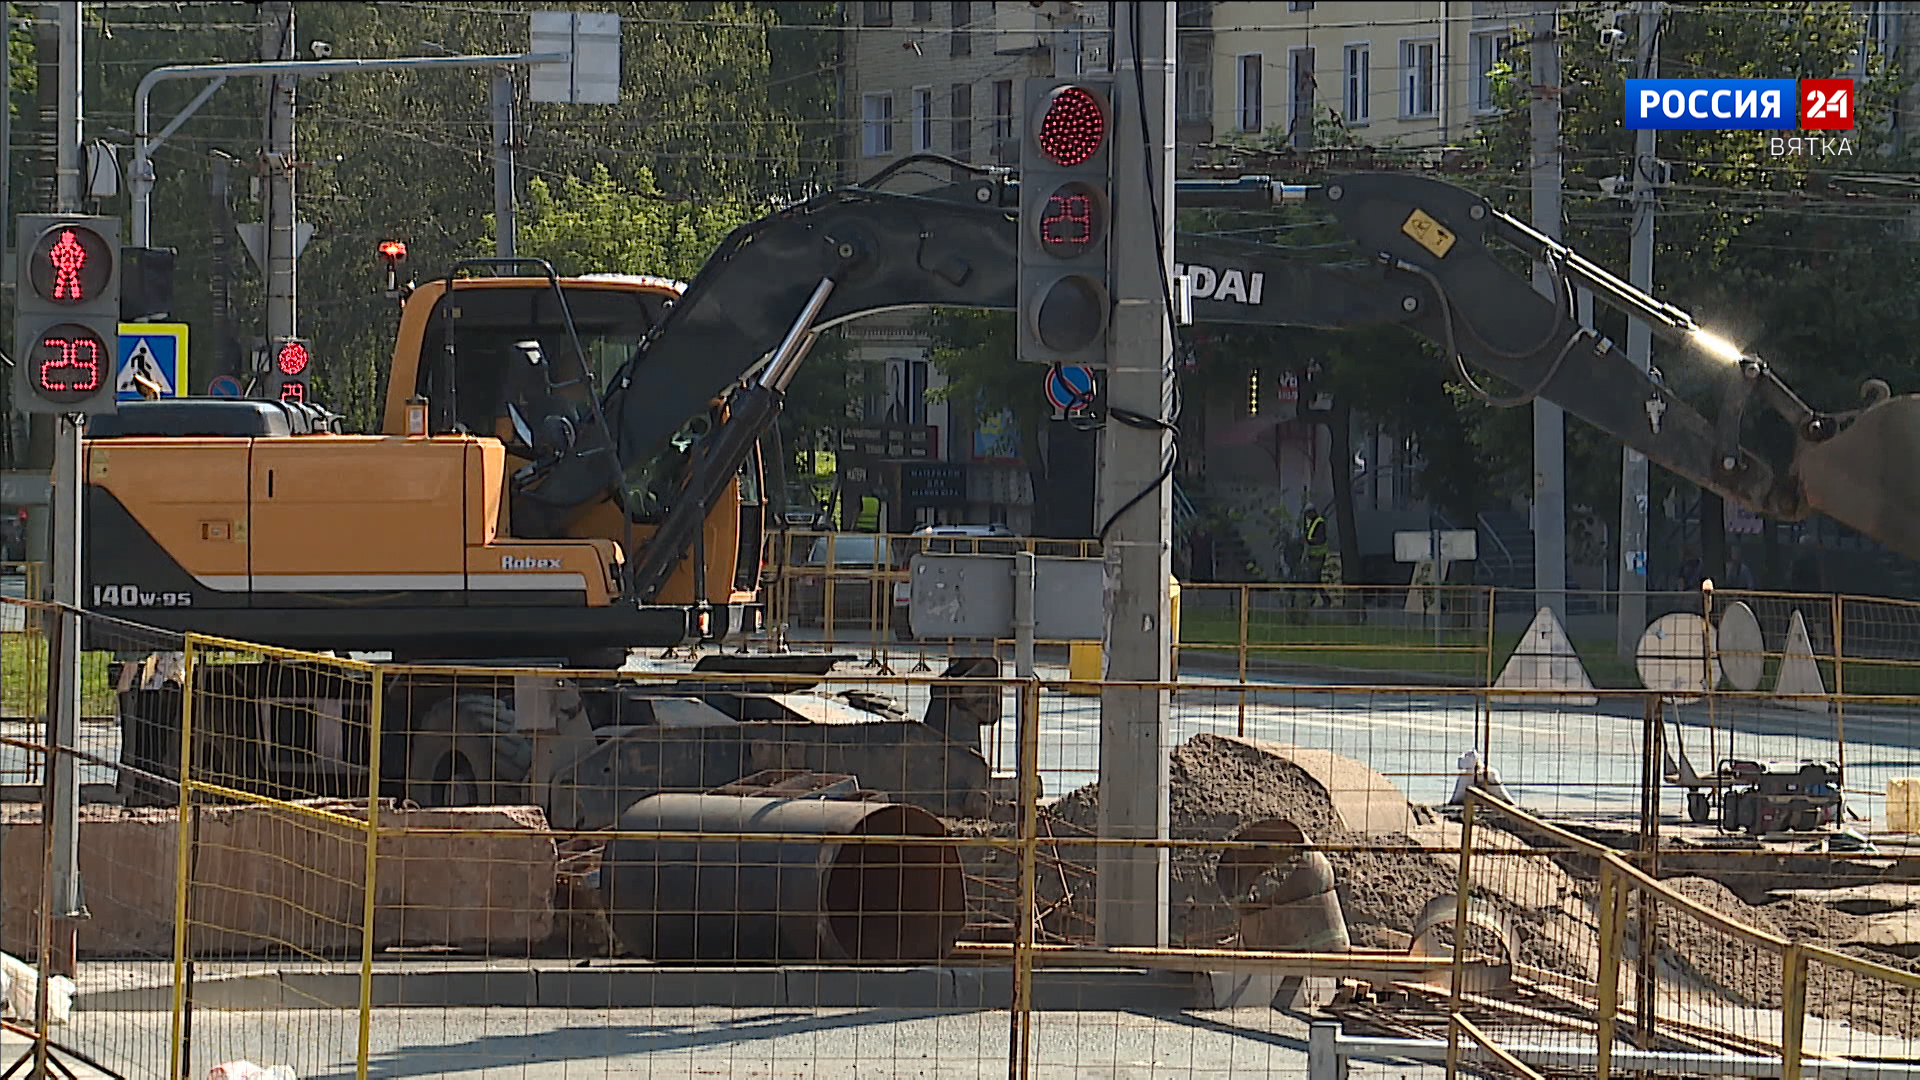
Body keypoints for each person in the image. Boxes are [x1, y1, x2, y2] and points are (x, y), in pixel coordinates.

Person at [1301, 502, 1329, 605]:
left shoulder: (1319, 522)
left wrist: (1308, 541)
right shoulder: (1312, 522)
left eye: (1308, 514)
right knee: (1314, 578)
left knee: (1314, 578)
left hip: (1319, 555)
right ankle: (1317, 599)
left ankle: (1315, 599)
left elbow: (1319, 539)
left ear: (1312, 512)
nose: (1307, 516)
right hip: (1313, 555)